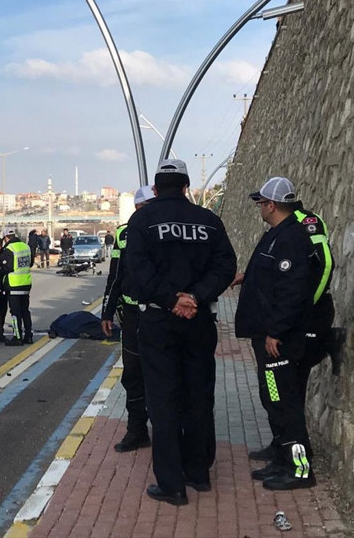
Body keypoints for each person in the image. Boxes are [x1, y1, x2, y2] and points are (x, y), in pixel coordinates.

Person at [125, 159, 236, 506]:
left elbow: (138, 271)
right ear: (187, 187)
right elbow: (226, 266)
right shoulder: (209, 221)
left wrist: (171, 300)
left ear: (156, 188)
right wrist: (196, 297)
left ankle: (172, 484)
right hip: (198, 320)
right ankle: (198, 472)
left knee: (163, 400)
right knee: (198, 395)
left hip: (159, 322)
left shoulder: (142, 221)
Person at [235, 189, 339, 465]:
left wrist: (278, 330)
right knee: (274, 396)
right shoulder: (278, 233)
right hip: (271, 332)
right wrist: (248, 277)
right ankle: (283, 451)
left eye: (260, 203)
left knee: (284, 401)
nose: (259, 208)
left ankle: (297, 467)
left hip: (283, 335)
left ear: (271, 205)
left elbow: (296, 288)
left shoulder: (294, 234)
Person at [101, 185, 154, 453]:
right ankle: (137, 430)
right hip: (132, 317)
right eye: (145, 207)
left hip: (159, 314)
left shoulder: (163, 228)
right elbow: (115, 276)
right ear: (137, 208)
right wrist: (107, 312)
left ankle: (166, 429)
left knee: (161, 374)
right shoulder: (124, 234)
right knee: (133, 375)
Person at [0, 229, 33, 346]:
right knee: (25, 311)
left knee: (15, 313)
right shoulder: (26, 247)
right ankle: (28, 336)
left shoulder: (9, 249)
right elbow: (30, 263)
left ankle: (17, 337)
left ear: (6, 238)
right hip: (26, 284)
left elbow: (7, 267)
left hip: (14, 285)